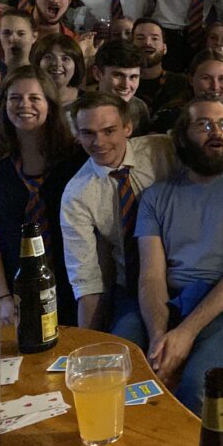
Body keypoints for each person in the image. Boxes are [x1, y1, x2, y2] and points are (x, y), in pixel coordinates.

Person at [136, 97, 223, 414]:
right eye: (204, 125)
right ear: (182, 136)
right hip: (168, 300)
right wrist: (159, 338)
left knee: (201, 385)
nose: (216, 133)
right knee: (123, 365)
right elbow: (151, 276)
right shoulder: (155, 196)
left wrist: (185, 333)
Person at [61, 92, 177, 345]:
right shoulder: (77, 194)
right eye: (88, 133)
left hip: (184, 276)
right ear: (77, 135)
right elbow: (87, 280)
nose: (99, 142)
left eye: (109, 131)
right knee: (122, 347)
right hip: (132, 288)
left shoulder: (162, 150)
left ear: (127, 128)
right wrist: (87, 346)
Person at [0, 66, 85, 327]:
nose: (24, 105)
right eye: (15, 98)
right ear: (4, 105)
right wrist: (2, 296)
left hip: (73, 286)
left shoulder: (76, 159)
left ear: (50, 105)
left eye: (34, 98)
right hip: (15, 286)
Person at [131, 18, 192, 120]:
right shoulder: (124, 84)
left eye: (154, 38)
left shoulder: (182, 84)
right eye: (140, 38)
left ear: (165, 48)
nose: (147, 43)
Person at [92, 40, 150, 133]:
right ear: (97, 74)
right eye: (118, 75)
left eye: (133, 77)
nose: (126, 85)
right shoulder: (79, 111)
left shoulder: (139, 108)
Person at [31, 33, 85, 111]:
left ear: (76, 66)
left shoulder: (87, 102)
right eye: (48, 57)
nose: (57, 64)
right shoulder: (28, 99)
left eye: (65, 59)